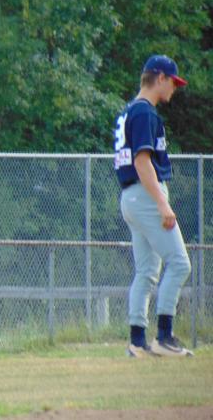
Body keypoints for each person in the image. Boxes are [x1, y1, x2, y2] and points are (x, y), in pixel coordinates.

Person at [113, 54, 193, 358]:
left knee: (147, 270)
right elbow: (142, 161)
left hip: (131, 196)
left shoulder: (128, 111)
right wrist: (162, 204)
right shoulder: (145, 113)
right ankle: (164, 336)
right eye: (173, 81)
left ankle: (137, 341)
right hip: (146, 194)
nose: (174, 88)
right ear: (160, 78)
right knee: (179, 263)